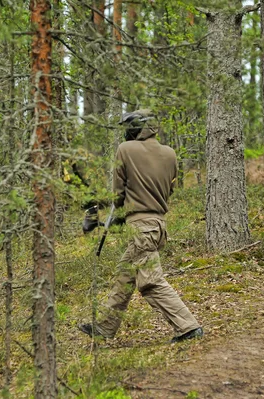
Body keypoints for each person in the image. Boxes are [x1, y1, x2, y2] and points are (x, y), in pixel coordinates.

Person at [78, 109, 203, 343]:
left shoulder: (126, 149)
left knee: (151, 281)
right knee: (124, 276)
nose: (127, 131)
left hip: (141, 227)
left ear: (139, 127)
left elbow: (118, 192)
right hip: (158, 225)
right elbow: (169, 190)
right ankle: (105, 327)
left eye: (129, 126)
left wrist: (116, 211)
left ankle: (188, 327)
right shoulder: (170, 153)